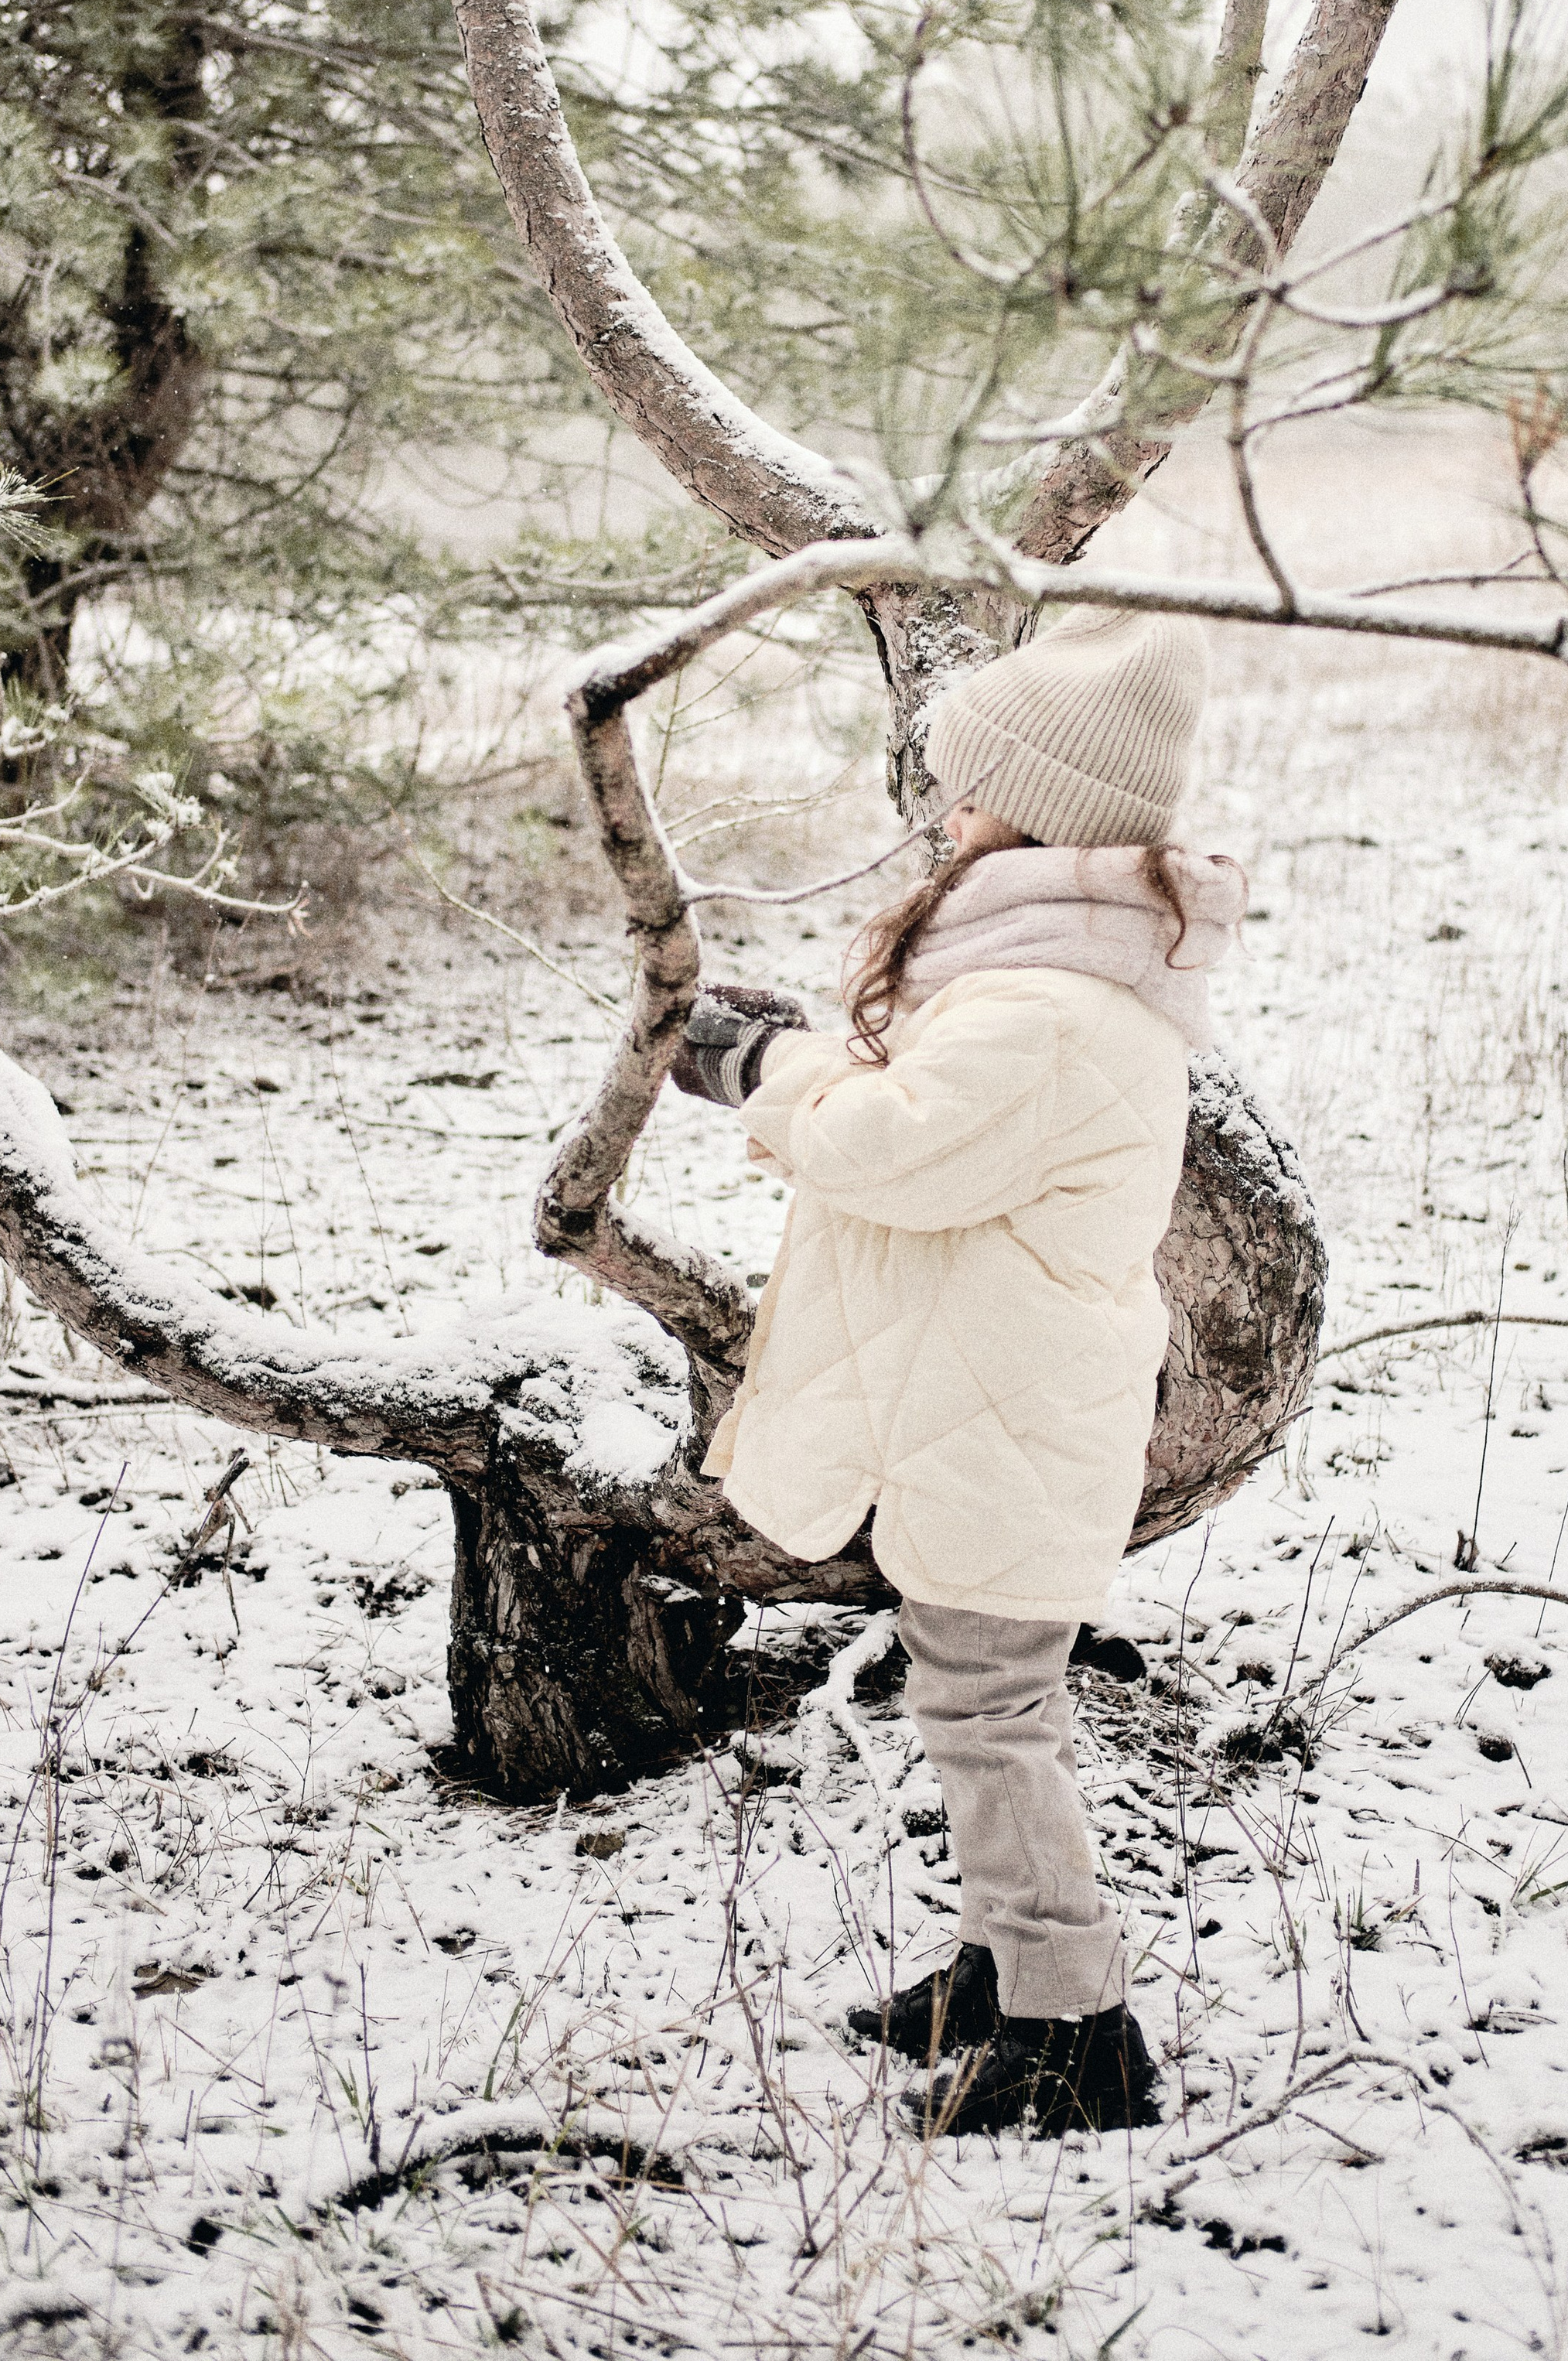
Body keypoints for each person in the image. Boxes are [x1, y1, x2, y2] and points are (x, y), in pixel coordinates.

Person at [672, 609, 1246, 2136]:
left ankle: (1074, 2032)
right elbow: (931, 1110)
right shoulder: (1042, 986)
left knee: (989, 1714)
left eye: (975, 792)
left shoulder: (1046, 1010)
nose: (950, 816)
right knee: (972, 1697)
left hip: (1009, 1418)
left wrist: (758, 1071)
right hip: (995, 1406)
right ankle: (1007, 1965)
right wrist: (807, 1043)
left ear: (1037, 812)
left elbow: (888, 1148)